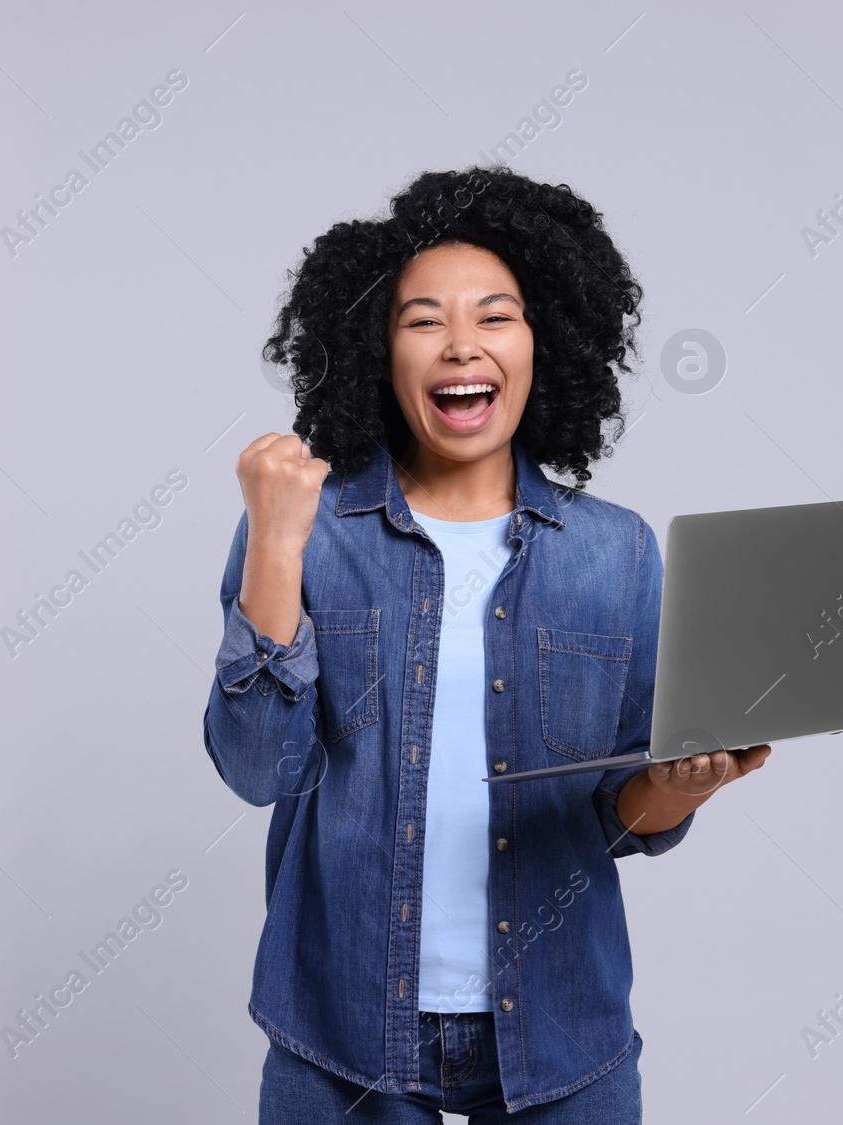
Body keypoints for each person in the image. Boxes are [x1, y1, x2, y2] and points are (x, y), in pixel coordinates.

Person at [203, 166, 770, 1122]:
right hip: (341, 1029)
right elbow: (260, 767)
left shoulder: (615, 551)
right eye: (423, 320)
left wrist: (682, 787)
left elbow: (617, 813)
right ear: (377, 353)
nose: (461, 344)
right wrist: (275, 539)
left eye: (495, 316)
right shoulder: (307, 528)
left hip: (561, 1031)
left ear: (545, 342)